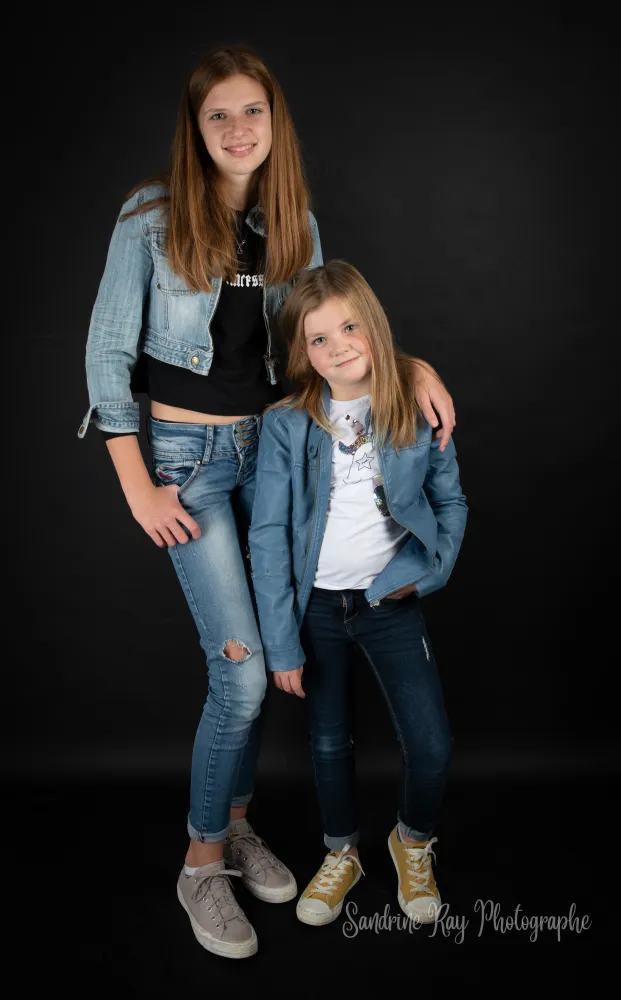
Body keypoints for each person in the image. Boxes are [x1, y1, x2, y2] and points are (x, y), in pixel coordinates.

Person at [78, 45, 457, 958]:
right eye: (218, 114)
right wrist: (137, 485)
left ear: (274, 122)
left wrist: (405, 363)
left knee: (264, 664)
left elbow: (318, 341)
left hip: (275, 457)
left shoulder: (294, 225)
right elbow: (106, 353)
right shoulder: (149, 216)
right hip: (189, 465)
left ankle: (237, 824)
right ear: (195, 128)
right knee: (243, 674)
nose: (237, 128)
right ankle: (201, 861)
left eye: (253, 110)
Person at [248, 260, 467, 928]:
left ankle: (411, 842)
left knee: (430, 746)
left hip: (388, 604)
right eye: (319, 338)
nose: (338, 346)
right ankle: (340, 851)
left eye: (349, 327)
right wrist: (280, 643)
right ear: (303, 353)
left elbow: (449, 501)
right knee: (327, 743)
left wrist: (424, 574)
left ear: (372, 324)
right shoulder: (288, 424)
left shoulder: (413, 404)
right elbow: (267, 534)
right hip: (315, 609)